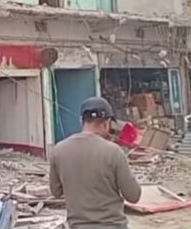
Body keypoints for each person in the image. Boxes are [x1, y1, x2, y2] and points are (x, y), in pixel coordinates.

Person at [49, 96, 141, 229]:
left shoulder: (59, 150)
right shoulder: (114, 152)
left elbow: (56, 191)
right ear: (107, 122)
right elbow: (133, 195)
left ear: (81, 120)